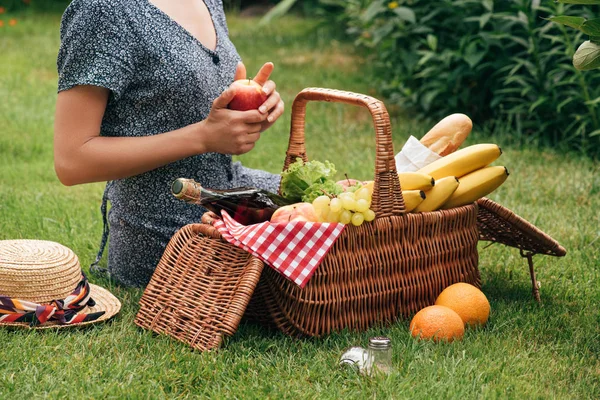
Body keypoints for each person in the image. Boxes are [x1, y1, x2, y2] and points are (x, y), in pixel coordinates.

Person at [53, 0, 285, 287]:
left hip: (229, 196)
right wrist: (203, 137)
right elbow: (72, 160)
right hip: (168, 234)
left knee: (335, 210)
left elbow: (193, 99)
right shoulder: (103, 10)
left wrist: (251, 104)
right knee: (317, 255)